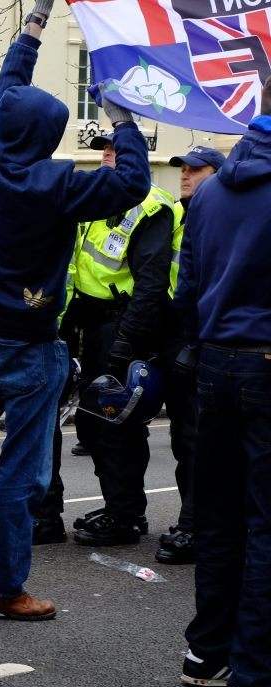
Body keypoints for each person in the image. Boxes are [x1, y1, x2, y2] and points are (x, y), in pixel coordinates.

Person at [0, 2, 150, 617]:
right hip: (27, 341)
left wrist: (32, 29)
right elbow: (131, 184)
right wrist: (122, 120)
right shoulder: (58, 185)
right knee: (21, 471)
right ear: (50, 137)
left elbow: (5, 90)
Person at [174, 78, 271, 687]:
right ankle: (254, 681)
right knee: (265, 521)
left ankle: (207, 653)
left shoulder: (207, 193)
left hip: (213, 363)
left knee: (218, 513)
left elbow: (187, 289)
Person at [58, 133, 181, 548]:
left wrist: (125, 344)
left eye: (114, 149)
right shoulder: (99, 198)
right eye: (104, 151)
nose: (107, 156)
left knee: (117, 424)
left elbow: (150, 283)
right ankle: (119, 506)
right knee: (95, 425)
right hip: (94, 327)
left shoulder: (151, 204)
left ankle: (126, 515)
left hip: (124, 328)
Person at [152, 145, 224, 565]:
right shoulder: (181, 217)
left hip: (206, 341)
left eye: (196, 170)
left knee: (201, 441)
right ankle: (192, 519)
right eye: (183, 169)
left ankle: (199, 525)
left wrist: (195, 343)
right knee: (184, 439)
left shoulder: (215, 217)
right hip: (180, 338)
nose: (185, 175)